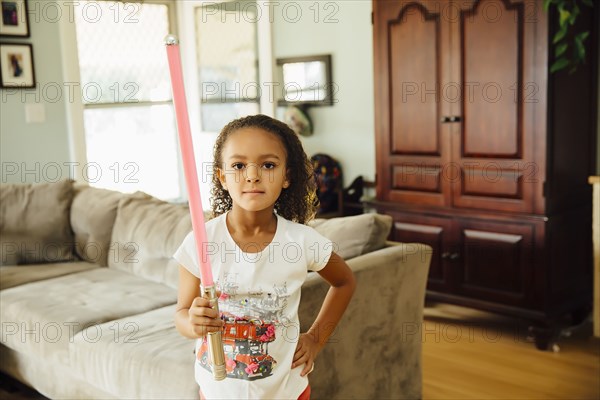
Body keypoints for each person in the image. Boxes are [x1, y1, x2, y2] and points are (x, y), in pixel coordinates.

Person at [173, 114, 356, 400]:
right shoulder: (201, 241)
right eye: (238, 165)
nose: (253, 175)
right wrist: (192, 322)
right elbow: (181, 315)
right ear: (222, 176)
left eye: (268, 165)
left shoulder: (301, 241)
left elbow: (344, 282)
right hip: (216, 392)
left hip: (286, 391)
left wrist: (316, 339)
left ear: (287, 176)